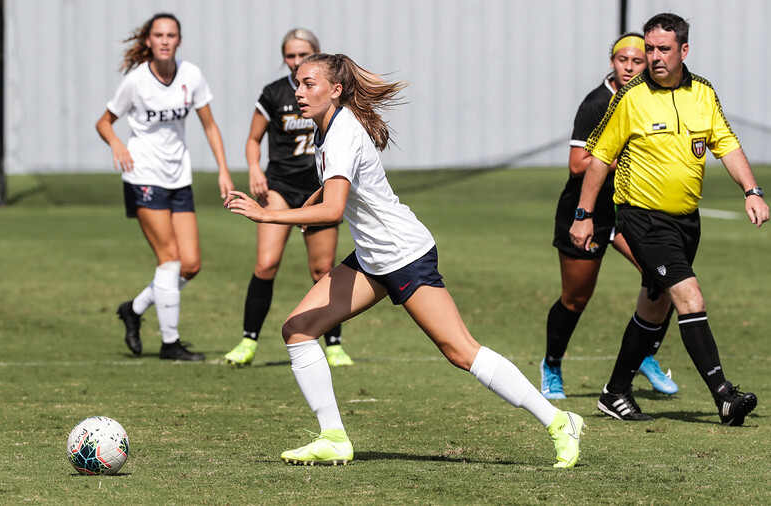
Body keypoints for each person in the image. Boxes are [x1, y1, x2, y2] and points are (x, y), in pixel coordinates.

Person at [225, 53, 583, 467]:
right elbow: (333, 189)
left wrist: (269, 213)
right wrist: (308, 200)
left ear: (335, 90)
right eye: (297, 84)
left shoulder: (341, 132)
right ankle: (334, 438)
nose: (298, 93)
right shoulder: (328, 129)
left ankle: (560, 422)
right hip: (373, 258)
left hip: (404, 255)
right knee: (299, 329)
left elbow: (333, 210)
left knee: (461, 351)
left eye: (309, 84)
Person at [570, 13, 768, 425]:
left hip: (686, 222)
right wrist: (584, 215)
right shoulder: (630, 98)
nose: (654, 57)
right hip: (642, 219)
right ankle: (724, 396)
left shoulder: (703, 93)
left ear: (684, 50)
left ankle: (615, 392)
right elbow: (599, 159)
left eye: (663, 49)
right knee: (689, 298)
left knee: (654, 309)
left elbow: (726, 144)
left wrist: (751, 190)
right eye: (649, 49)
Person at [542, 33, 678, 399]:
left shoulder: (649, 99)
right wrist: (621, 154)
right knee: (576, 298)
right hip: (588, 212)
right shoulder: (596, 102)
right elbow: (576, 165)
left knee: (664, 281)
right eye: (624, 60)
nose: (631, 67)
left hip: (630, 212)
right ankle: (552, 365)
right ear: (613, 61)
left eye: (638, 61)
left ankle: (645, 357)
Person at [96, 12, 235, 361]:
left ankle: (134, 309)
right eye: (158, 35)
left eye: (171, 35)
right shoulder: (136, 81)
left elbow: (210, 126)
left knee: (190, 265)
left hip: (179, 178)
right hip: (143, 176)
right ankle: (170, 344)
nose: (164, 40)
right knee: (170, 260)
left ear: (179, 41)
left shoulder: (191, 76)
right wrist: (116, 143)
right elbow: (105, 122)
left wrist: (223, 170)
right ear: (148, 41)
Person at [223, 29, 353, 368]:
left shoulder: (328, 96)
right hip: (279, 187)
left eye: (303, 55)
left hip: (320, 189)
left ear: (318, 55)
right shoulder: (275, 93)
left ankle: (335, 344)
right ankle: (248, 341)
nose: (296, 61)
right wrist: (254, 169)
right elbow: (253, 139)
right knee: (266, 263)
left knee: (322, 268)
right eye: (290, 56)